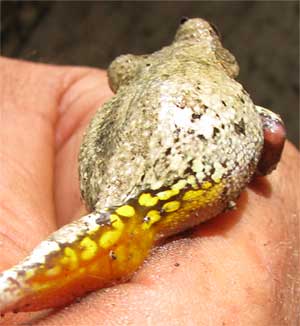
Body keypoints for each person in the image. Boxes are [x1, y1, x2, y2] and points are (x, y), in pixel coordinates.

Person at [0, 57, 298, 325]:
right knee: (123, 229)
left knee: (121, 229)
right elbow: (272, 134)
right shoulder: (245, 106)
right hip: (141, 206)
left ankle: (13, 289)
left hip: (150, 200)